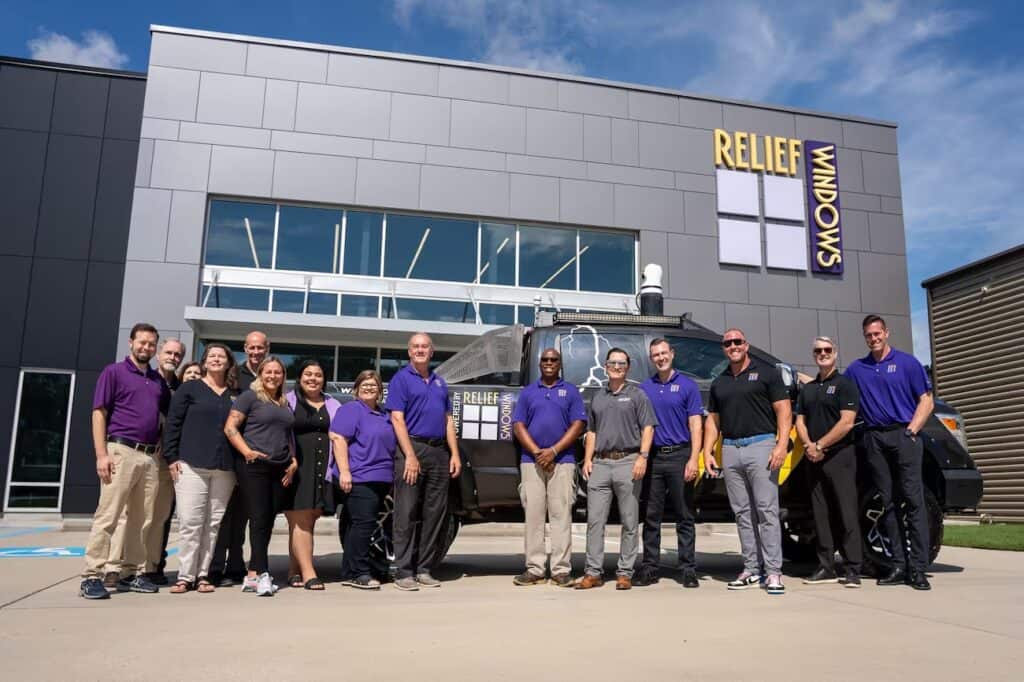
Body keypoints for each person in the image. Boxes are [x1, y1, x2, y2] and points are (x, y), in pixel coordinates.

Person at [79, 323, 171, 600]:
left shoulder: (157, 382)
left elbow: (166, 420)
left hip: (151, 456)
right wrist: (101, 454)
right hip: (121, 450)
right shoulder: (114, 372)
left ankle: (129, 573)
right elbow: (99, 413)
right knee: (109, 515)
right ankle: (92, 574)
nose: (146, 347)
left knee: (141, 519)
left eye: (151, 344)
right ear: (131, 343)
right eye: (141, 342)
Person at [844, 315, 934, 590]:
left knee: (913, 500)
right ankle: (898, 565)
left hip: (904, 435)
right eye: (868, 335)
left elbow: (926, 400)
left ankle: (918, 569)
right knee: (888, 502)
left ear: (886, 333)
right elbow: (835, 388)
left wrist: (912, 430)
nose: (873, 339)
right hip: (874, 438)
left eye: (877, 333)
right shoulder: (857, 369)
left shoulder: (907, 363)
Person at [702, 328, 792, 596]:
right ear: (724, 348)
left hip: (761, 446)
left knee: (766, 511)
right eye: (728, 343)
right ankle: (752, 569)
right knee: (742, 513)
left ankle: (774, 571)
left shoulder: (767, 374)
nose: (733, 346)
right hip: (730, 449)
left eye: (737, 342)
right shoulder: (720, 382)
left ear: (746, 345)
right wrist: (708, 451)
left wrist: (781, 444)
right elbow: (713, 421)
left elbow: (783, 410)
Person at [103, 337, 187, 587]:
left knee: (154, 516)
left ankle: (148, 567)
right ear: (159, 354)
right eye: (169, 353)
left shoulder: (178, 387)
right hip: (132, 452)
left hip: (163, 459)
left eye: (177, 354)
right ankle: (112, 566)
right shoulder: (144, 378)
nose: (173, 357)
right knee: (123, 514)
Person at [386, 332, 462, 591]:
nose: (420, 350)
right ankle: (404, 572)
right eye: (415, 347)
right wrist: (409, 455)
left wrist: (454, 454)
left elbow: (448, 420)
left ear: (432, 352)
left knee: (434, 514)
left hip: (439, 453)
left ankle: (425, 569)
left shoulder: (440, 383)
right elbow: (397, 419)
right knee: (406, 513)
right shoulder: (400, 379)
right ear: (409, 352)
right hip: (413, 449)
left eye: (424, 347)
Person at [577, 348, 657, 591]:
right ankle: (593, 572)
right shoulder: (598, 396)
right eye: (613, 362)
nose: (617, 367)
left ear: (628, 368)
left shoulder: (638, 395)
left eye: (622, 363)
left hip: (628, 462)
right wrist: (588, 458)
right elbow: (592, 430)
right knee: (594, 522)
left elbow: (648, 428)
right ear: (605, 366)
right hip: (600, 464)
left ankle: (625, 573)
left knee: (630, 521)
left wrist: (642, 457)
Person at [162, 343, 239, 593]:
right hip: (190, 464)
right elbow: (173, 423)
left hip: (224, 468)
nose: (217, 360)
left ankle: (204, 575)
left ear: (228, 363)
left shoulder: (235, 394)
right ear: (204, 362)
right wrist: (171, 457)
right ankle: (185, 576)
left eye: (222, 357)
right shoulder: (190, 388)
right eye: (212, 356)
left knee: (213, 523)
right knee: (190, 522)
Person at [511, 349, 586, 587]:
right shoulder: (528, 393)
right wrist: (537, 452)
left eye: (554, 360)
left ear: (560, 364)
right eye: (545, 360)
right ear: (539, 363)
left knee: (560, 516)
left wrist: (553, 451)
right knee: (533, 516)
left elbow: (578, 425)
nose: (549, 363)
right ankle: (534, 569)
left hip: (562, 462)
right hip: (531, 462)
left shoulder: (571, 392)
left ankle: (561, 570)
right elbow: (518, 425)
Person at [224, 356, 298, 597]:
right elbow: (230, 427)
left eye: (278, 372)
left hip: (279, 467)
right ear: (260, 373)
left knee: (266, 520)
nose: (273, 376)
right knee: (258, 518)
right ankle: (263, 573)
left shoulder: (283, 402)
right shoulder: (250, 397)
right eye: (268, 372)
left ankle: (252, 575)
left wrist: (293, 459)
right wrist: (246, 451)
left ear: (283, 376)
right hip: (254, 466)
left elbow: (287, 433)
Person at [635, 338, 704, 588]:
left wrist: (694, 458)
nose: (660, 358)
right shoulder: (644, 388)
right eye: (656, 355)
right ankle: (650, 568)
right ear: (651, 359)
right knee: (651, 516)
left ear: (672, 354)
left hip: (680, 456)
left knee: (684, 515)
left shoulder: (688, 386)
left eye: (664, 353)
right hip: (653, 458)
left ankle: (687, 569)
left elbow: (696, 424)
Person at [795, 336, 863, 588]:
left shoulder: (846, 385)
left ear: (836, 352)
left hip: (840, 456)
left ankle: (853, 568)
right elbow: (799, 421)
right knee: (820, 515)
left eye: (827, 350)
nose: (822, 354)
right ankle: (826, 566)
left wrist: (821, 445)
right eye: (818, 351)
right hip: (813, 458)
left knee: (846, 512)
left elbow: (847, 422)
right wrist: (810, 446)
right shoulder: (809, 389)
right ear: (813, 355)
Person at [210, 331, 268, 586]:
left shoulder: (271, 376)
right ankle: (214, 567)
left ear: (267, 348)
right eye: (251, 347)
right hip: (231, 453)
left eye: (260, 348)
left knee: (244, 515)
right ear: (245, 348)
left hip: (255, 460)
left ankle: (235, 566)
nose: (256, 352)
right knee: (224, 515)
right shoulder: (234, 375)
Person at [329, 370, 396, 590]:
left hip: (381, 478)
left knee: (355, 525)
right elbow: (338, 439)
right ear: (356, 389)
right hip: (359, 477)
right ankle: (360, 572)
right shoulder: (351, 410)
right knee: (364, 525)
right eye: (364, 385)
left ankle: (349, 572)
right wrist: (345, 471)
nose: (369, 388)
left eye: (374, 385)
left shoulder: (384, 414)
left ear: (380, 390)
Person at [283, 359, 342, 591]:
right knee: (300, 520)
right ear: (300, 377)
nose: (313, 379)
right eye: (308, 374)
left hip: (322, 468)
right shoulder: (288, 401)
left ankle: (292, 570)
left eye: (318, 375)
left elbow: (339, 435)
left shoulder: (333, 403)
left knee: (305, 520)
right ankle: (309, 573)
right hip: (297, 467)